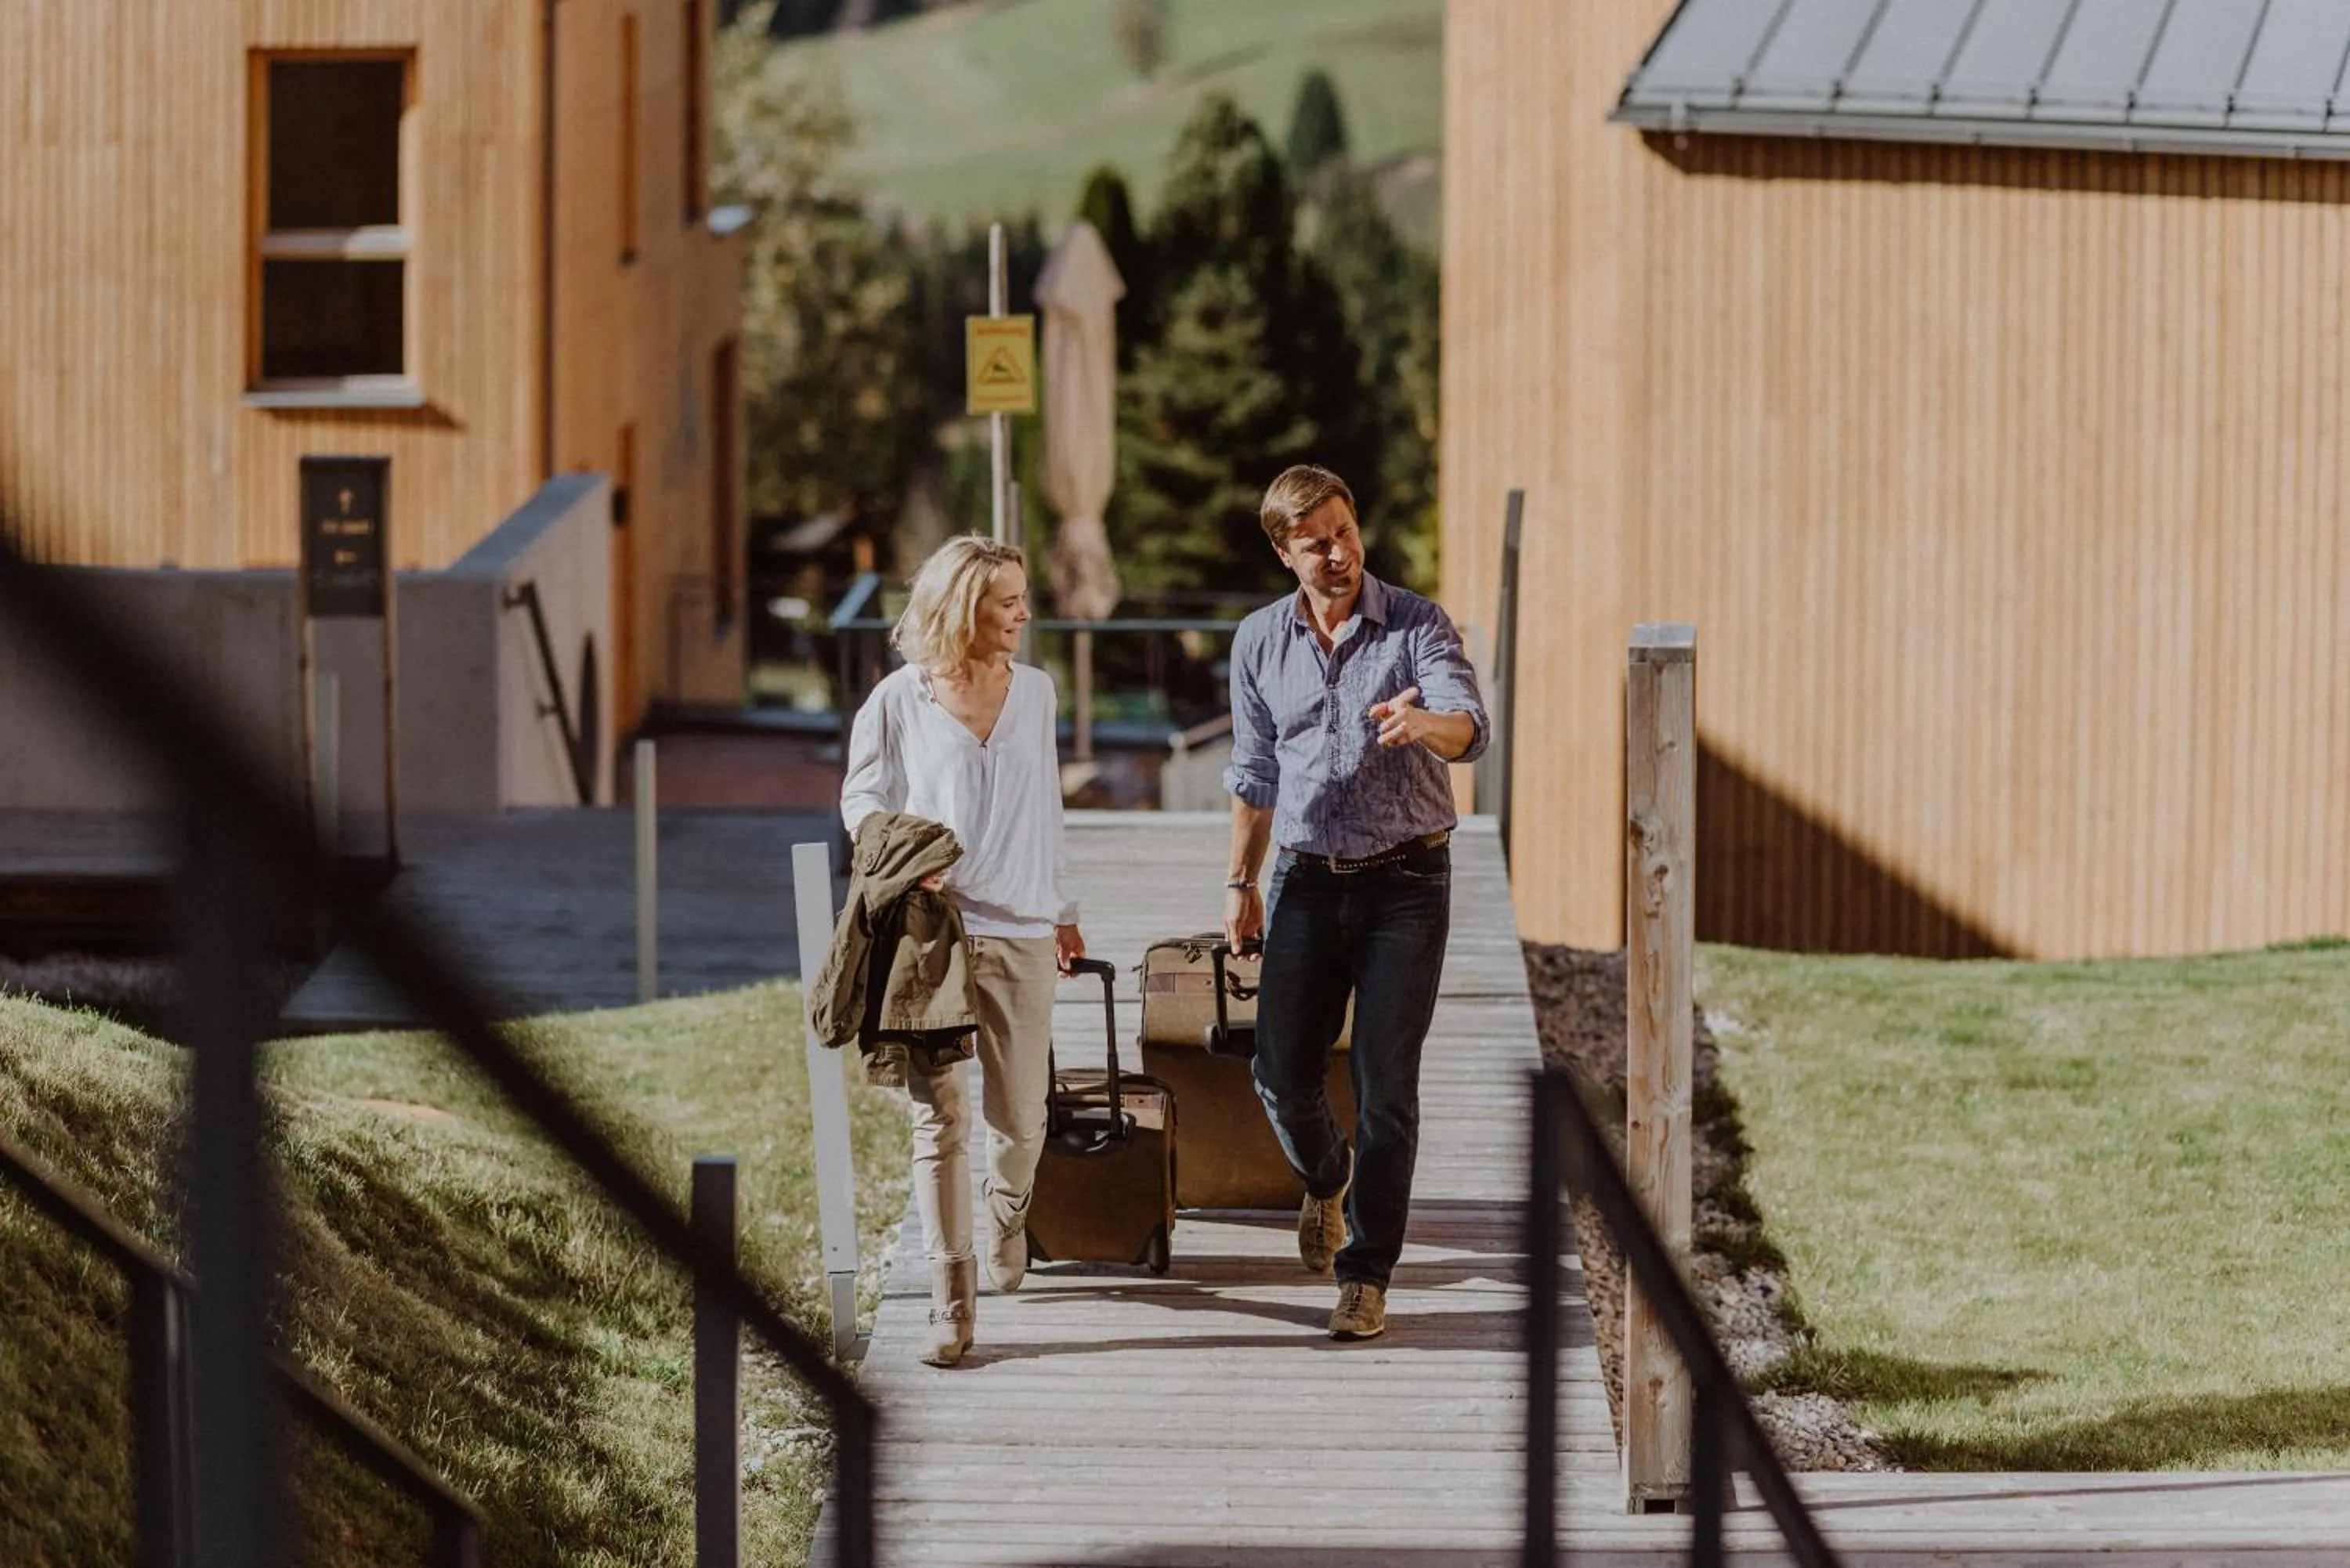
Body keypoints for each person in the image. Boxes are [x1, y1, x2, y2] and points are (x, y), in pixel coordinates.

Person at [1221, 464, 1488, 1341]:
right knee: (1279, 1070)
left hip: (1407, 883)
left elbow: (1469, 724)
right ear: (1282, 552)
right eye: (1315, 542)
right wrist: (1240, 885)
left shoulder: (1416, 625)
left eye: (1344, 531)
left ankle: (1366, 1273)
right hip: (1302, 878)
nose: (1338, 552)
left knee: (1386, 1086)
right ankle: (1327, 1176)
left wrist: (1425, 727)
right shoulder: (1259, 641)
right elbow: (1254, 775)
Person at [841, 535, 1085, 1367]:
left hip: (1020, 927)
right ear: (962, 606)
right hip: (931, 936)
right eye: (1007, 599)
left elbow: (1046, 807)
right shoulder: (899, 699)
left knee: (1020, 1119)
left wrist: (1064, 907)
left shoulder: (1039, 694)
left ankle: (1006, 1211)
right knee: (935, 1120)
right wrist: (907, 857)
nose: (1024, 611)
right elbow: (862, 797)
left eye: (1022, 597)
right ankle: (952, 1302)